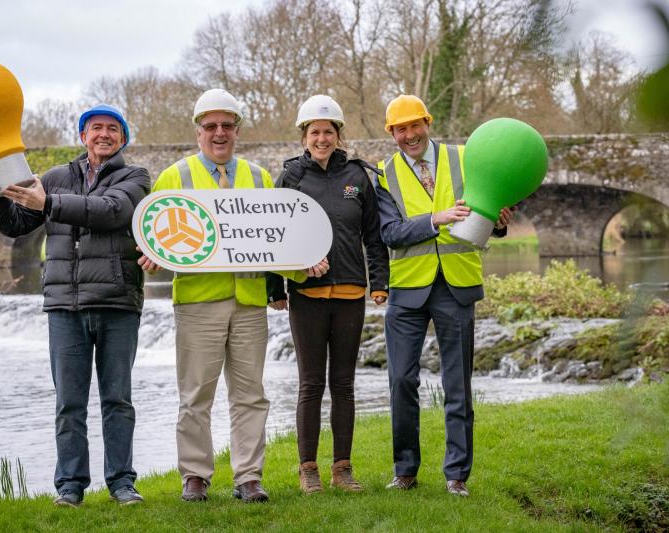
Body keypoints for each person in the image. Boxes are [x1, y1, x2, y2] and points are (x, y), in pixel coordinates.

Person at [143, 88, 324, 504]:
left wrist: (304, 265)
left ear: (238, 130)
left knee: (251, 395)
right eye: (211, 126)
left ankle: (249, 477)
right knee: (195, 396)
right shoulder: (174, 177)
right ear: (198, 132)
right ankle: (195, 476)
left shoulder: (259, 178)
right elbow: (157, 237)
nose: (219, 133)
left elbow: (275, 243)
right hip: (197, 302)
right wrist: (152, 255)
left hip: (249, 302)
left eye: (227, 125)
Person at [0, 104, 151, 507]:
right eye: (96, 128)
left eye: (113, 129)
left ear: (122, 138)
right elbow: (15, 224)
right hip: (64, 306)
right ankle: (70, 486)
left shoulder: (135, 177)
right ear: (83, 136)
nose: (104, 134)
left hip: (116, 301)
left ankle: (122, 483)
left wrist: (48, 204)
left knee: (117, 400)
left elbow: (110, 212)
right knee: (69, 404)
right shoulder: (56, 177)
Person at [375, 95, 513, 497]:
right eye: (401, 129)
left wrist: (499, 221)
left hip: (456, 285)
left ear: (428, 123)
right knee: (401, 381)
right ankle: (405, 471)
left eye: (415, 125)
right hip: (407, 289)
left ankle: (457, 475)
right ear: (392, 133)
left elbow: (488, 211)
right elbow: (389, 233)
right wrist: (435, 219)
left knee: (458, 384)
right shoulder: (383, 173)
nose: (410, 135)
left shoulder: (467, 158)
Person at [272, 95, 389, 494]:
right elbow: (273, 237)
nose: (321, 139)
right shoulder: (290, 178)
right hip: (306, 294)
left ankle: (342, 467)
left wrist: (380, 282)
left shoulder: (358, 177)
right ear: (304, 137)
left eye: (328, 132)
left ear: (339, 135)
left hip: (351, 292)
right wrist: (275, 289)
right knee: (310, 384)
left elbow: (373, 236)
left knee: (343, 383)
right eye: (314, 132)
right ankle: (308, 468)